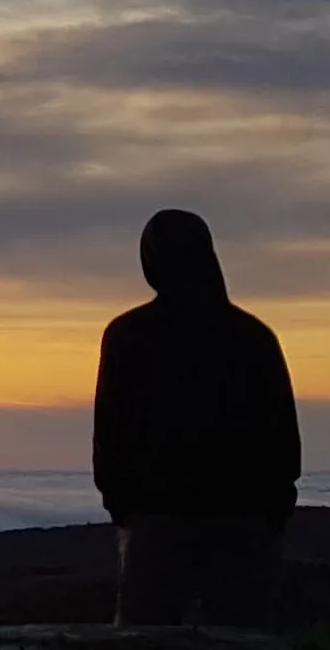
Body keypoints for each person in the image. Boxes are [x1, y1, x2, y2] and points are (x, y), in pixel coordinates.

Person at [92, 208, 300, 625]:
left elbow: (110, 434)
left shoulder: (129, 335)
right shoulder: (252, 336)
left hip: (157, 520)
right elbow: (282, 436)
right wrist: (273, 511)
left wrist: (123, 507)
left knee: (146, 645)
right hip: (242, 520)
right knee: (242, 644)